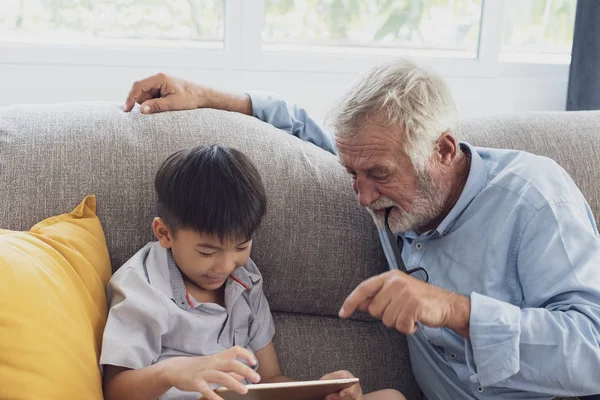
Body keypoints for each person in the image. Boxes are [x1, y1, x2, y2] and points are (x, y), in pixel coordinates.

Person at [122, 59, 600, 399]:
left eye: (379, 175)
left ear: (444, 151)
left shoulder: (536, 201)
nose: (363, 197)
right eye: (354, 174)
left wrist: (456, 310)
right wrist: (209, 97)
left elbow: (592, 351)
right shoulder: (383, 182)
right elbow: (304, 131)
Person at [100, 145, 404, 400]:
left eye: (241, 246)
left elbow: (270, 378)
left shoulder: (246, 280)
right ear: (165, 234)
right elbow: (115, 389)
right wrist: (173, 373)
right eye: (207, 252)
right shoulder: (142, 287)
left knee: (391, 397)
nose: (225, 266)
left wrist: (319, 390)